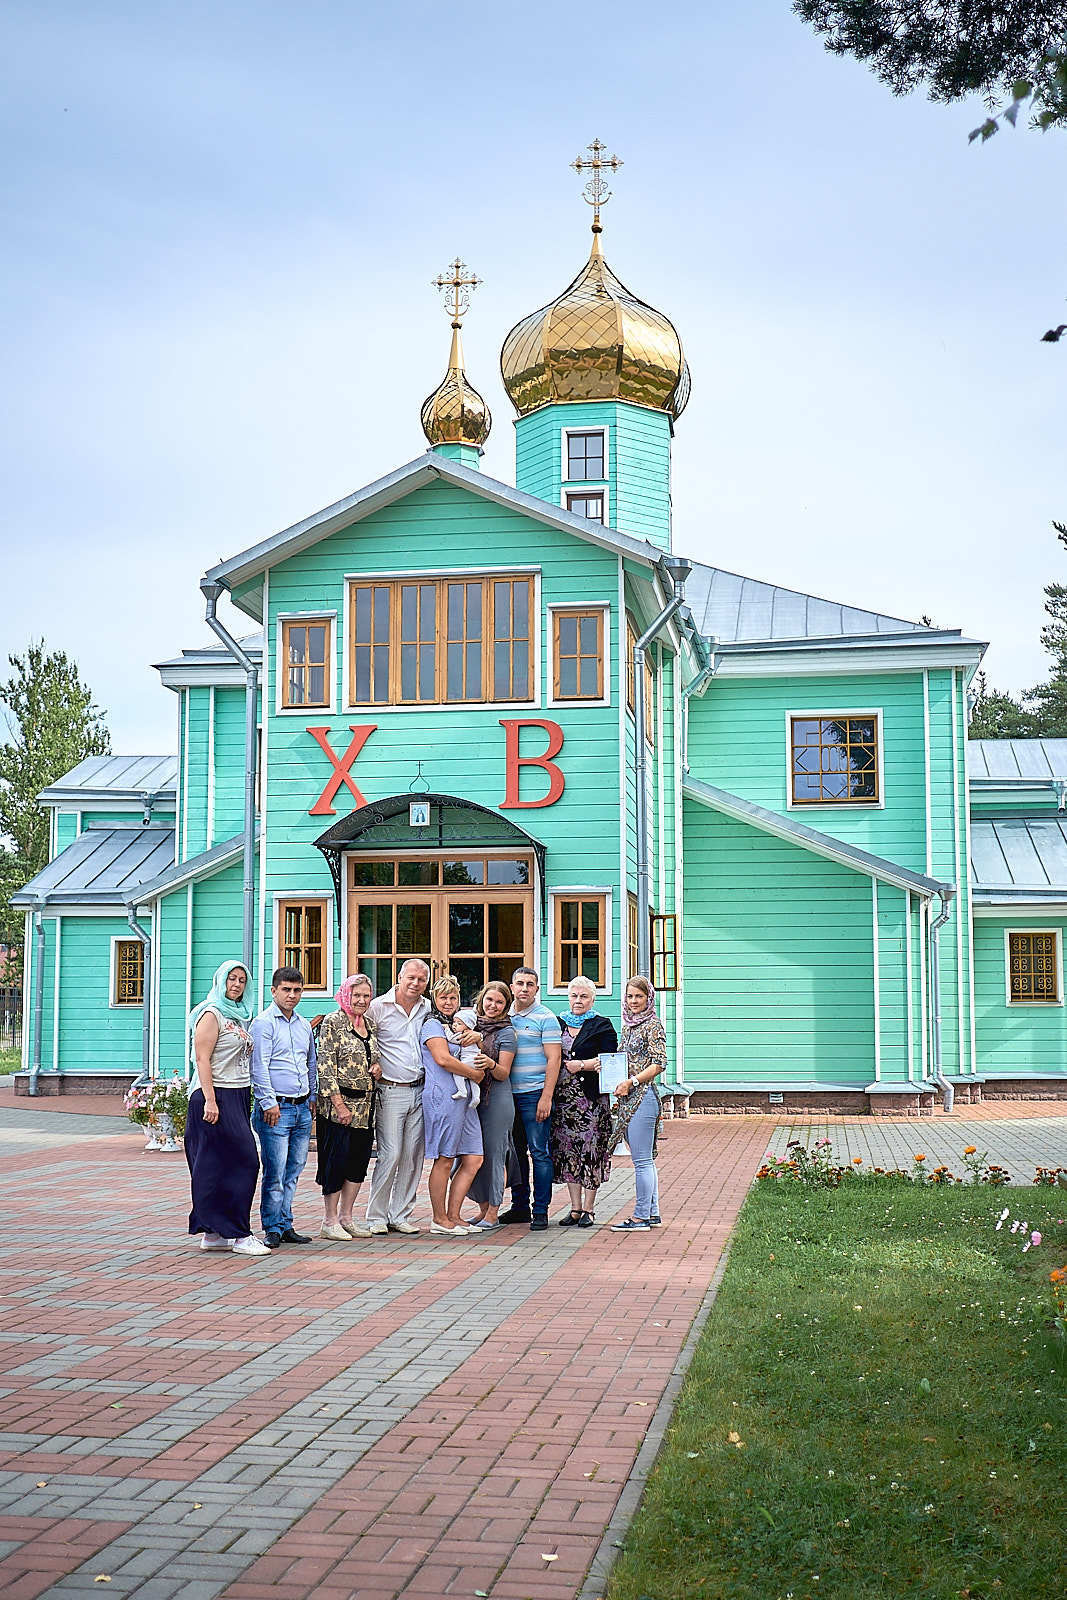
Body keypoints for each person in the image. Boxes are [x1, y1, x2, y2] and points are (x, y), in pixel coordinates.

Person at [185, 959, 269, 1257]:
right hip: (213, 1096)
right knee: (241, 1161)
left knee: (222, 1164)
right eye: (231, 979)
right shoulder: (211, 1013)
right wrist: (209, 1098)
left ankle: (214, 1233)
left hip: (236, 1094)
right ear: (220, 982)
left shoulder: (240, 1016)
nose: (236, 985)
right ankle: (239, 1234)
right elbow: (202, 1059)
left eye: (241, 980)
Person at [250, 965, 317, 1249]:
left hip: (302, 1108)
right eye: (286, 990)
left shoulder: (303, 1024)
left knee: (294, 1169)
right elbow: (259, 1066)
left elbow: (310, 1062)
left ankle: (286, 1223)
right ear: (274, 990)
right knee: (275, 1172)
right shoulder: (263, 1023)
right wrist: (268, 1102)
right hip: (276, 1108)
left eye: (297, 990)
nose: (292, 995)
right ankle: (272, 1227)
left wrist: (313, 1096)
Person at [365, 958, 431, 1234]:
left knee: (412, 1157)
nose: (416, 984)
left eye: (421, 980)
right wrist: (373, 1063)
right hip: (391, 1090)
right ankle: (376, 1216)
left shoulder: (427, 1006)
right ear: (399, 977)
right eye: (411, 978)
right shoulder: (378, 1007)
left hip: (421, 1089)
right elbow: (363, 1037)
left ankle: (400, 1214)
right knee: (390, 1154)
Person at [315, 973, 381, 1242]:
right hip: (338, 1108)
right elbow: (325, 1067)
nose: (362, 1000)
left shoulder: (370, 1024)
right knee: (335, 1163)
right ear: (346, 995)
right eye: (357, 995)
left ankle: (346, 1217)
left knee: (357, 1163)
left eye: (366, 996)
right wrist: (339, 1105)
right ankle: (329, 1221)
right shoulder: (333, 1022)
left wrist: (377, 1067)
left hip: (366, 1108)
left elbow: (374, 1057)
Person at [549, 975, 618, 1228]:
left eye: (584, 996)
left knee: (590, 1152)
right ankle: (575, 1208)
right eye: (574, 996)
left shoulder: (602, 1025)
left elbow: (611, 1061)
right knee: (568, 1152)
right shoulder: (557, 1023)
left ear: (593, 999)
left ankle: (589, 1209)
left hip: (590, 1101)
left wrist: (583, 1065)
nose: (578, 1001)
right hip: (564, 1101)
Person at [420, 976, 485, 1235]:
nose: (448, 1002)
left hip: (466, 1099)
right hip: (443, 1097)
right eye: (443, 997)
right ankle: (439, 1219)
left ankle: (455, 1215)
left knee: (473, 1157)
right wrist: (474, 1075)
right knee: (445, 1158)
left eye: (453, 997)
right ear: (435, 999)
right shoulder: (432, 1024)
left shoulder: (458, 1025)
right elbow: (442, 1059)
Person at [502, 966, 561, 1231]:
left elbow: (554, 1058)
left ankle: (540, 1211)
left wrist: (546, 1096)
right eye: (519, 983)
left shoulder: (545, 1018)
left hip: (534, 1094)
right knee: (515, 1155)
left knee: (539, 1152)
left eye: (530, 984)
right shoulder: (504, 1015)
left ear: (537, 989)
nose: (524, 988)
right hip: (507, 1096)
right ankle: (519, 1207)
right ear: (512, 986)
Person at [608, 975, 667, 1232]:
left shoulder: (652, 1025)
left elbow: (659, 1062)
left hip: (643, 1097)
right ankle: (651, 1213)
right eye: (630, 996)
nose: (634, 1001)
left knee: (642, 1161)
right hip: (628, 1097)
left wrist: (631, 1081)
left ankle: (641, 1216)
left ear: (648, 998)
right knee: (644, 1161)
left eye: (639, 996)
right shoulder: (629, 1025)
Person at [461, 980, 518, 1232]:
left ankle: (494, 1211)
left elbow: (504, 1073)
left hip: (497, 1100)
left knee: (496, 1155)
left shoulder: (507, 1032)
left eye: (500, 1002)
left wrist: (489, 1062)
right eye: (490, 1000)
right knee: (474, 1155)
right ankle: (482, 1208)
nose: (493, 1006)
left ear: (506, 1007)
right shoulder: (471, 1024)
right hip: (473, 1099)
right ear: (481, 999)